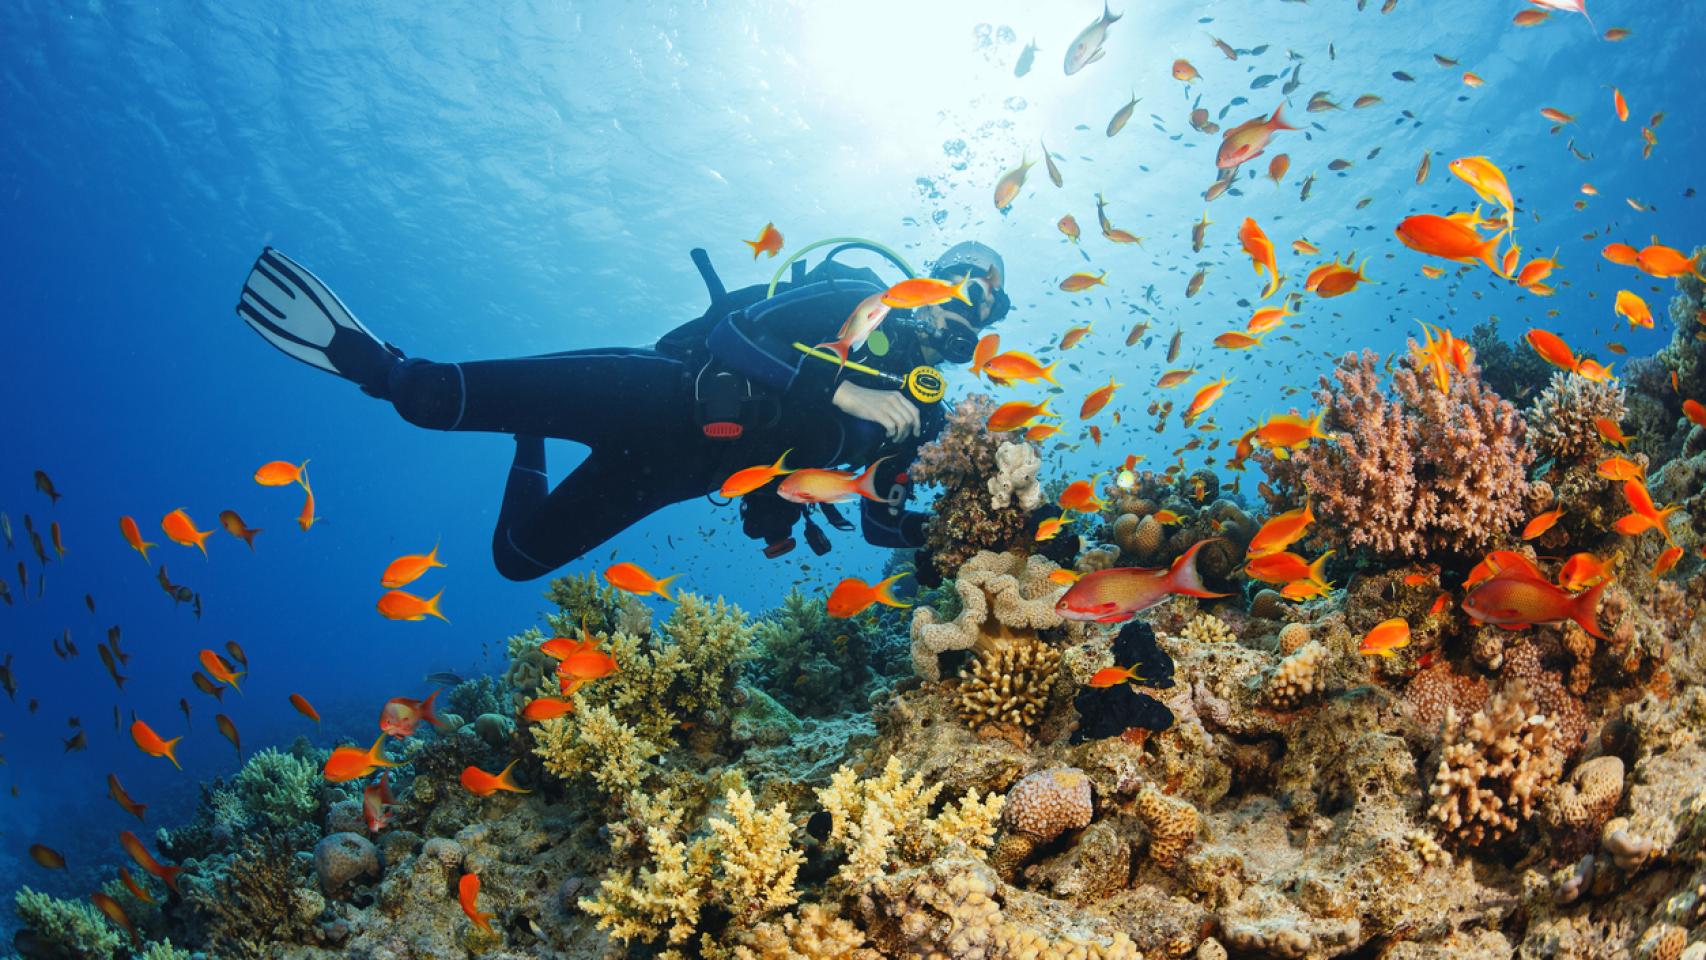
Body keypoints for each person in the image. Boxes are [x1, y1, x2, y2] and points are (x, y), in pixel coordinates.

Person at [235, 240, 1012, 581]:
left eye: (989, 304)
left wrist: (950, 543)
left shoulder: (928, 415)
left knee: (516, 560)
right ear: (935, 281)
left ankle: (529, 440)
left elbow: (879, 519)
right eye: (965, 287)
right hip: (661, 391)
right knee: (427, 396)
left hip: (680, 473)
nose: (972, 311)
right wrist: (840, 387)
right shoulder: (861, 299)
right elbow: (728, 333)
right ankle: (362, 354)